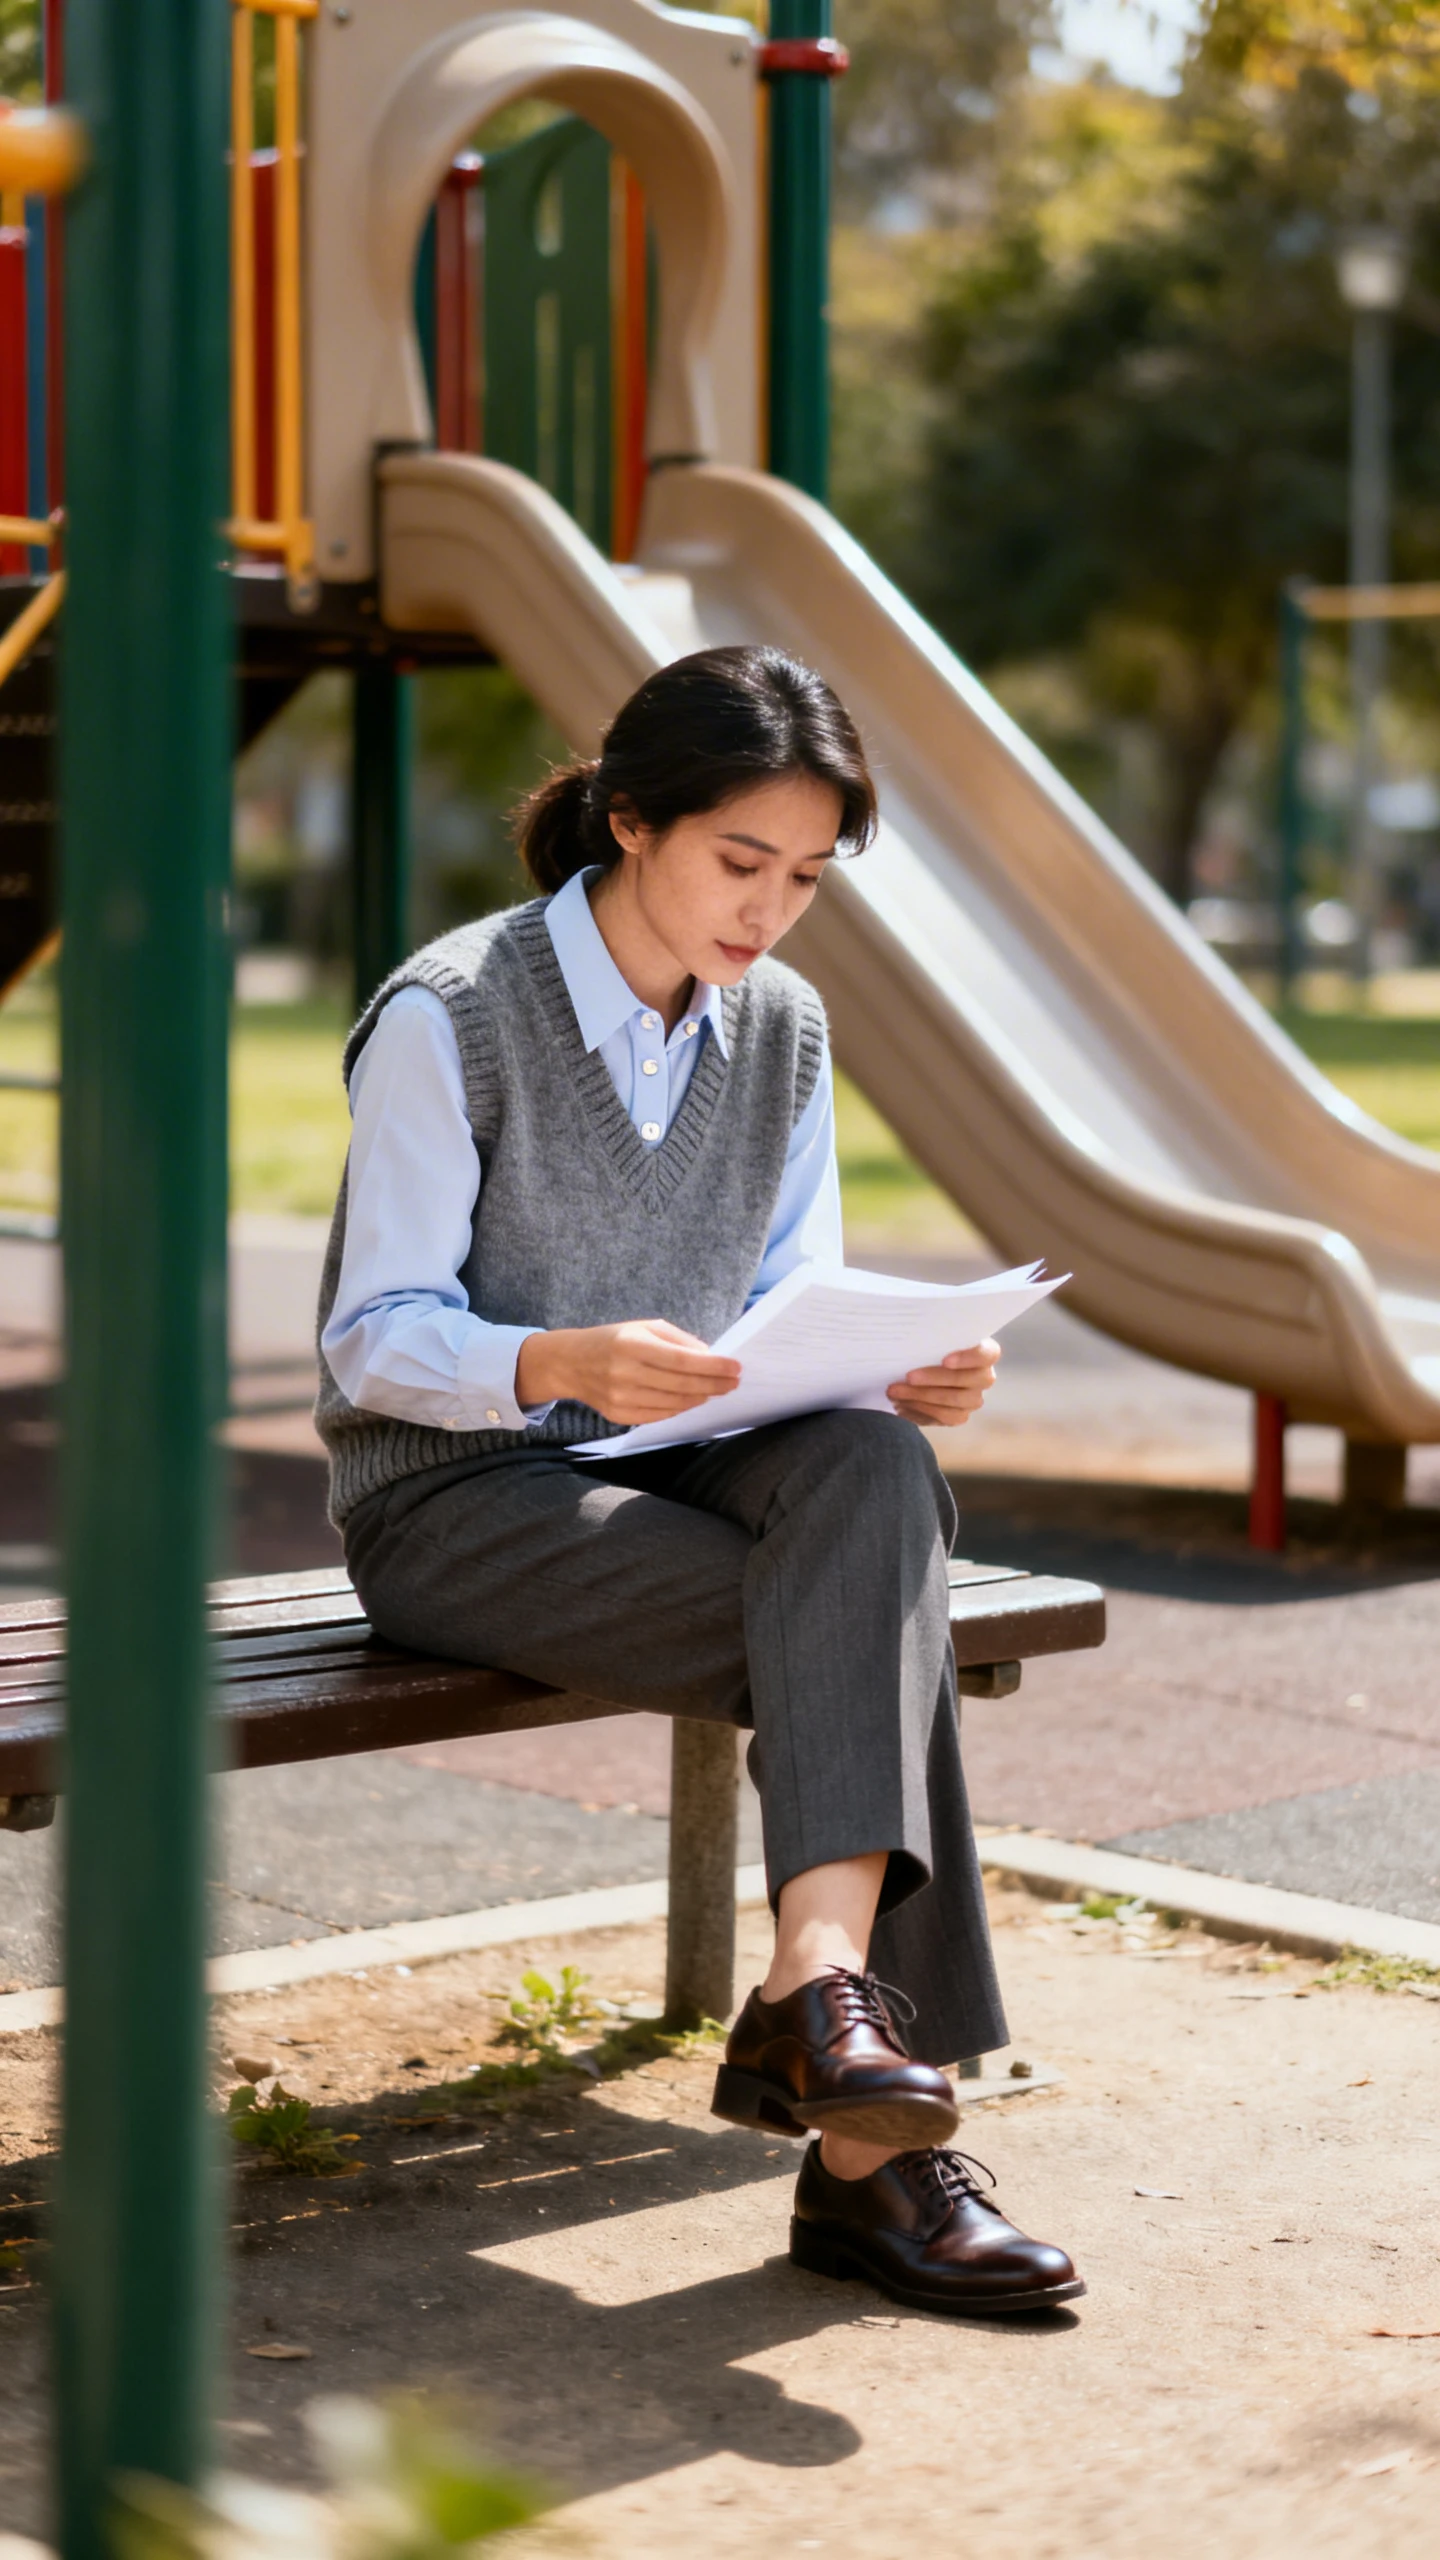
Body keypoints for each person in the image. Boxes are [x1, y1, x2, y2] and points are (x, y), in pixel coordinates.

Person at [316, 644, 1082, 2317]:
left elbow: (775, 1304)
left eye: (806, 878)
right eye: (743, 864)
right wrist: (554, 1358)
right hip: (454, 1504)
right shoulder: (452, 1016)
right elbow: (370, 1339)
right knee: (871, 1629)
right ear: (631, 819)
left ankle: (819, 1984)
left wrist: (895, 1363)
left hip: (686, 1469)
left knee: (877, 1463)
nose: (771, 912)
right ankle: (874, 2164)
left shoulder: (783, 1030)